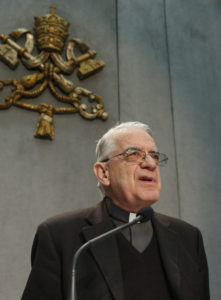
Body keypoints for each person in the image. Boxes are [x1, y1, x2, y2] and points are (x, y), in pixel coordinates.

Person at [21, 121, 210, 300]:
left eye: (155, 156)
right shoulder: (61, 236)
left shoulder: (188, 237)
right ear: (104, 173)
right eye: (133, 154)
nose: (150, 164)